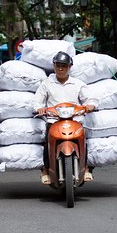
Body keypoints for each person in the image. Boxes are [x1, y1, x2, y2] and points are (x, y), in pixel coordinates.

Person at [33, 51, 98, 185]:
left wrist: (90, 105)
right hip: (54, 121)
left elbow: (90, 98)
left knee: (86, 140)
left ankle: (86, 168)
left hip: (75, 120)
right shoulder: (47, 83)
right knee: (46, 142)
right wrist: (39, 108)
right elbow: (37, 101)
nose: (61, 68)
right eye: (58, 65)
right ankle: (45, 170)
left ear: (70, 67)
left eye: (64, 66)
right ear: (54, 66)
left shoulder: (78, 84)